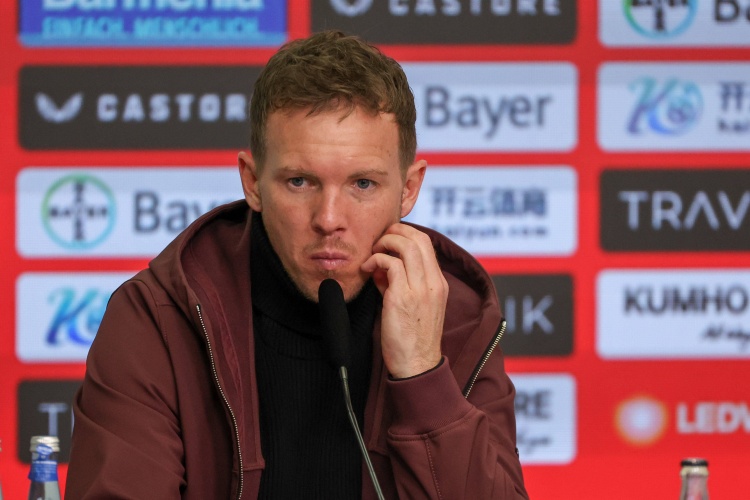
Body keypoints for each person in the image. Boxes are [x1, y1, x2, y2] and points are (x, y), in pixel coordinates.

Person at [66, 30, 528, 499]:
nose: (328, 219)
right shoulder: (158, 318)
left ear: (409, 189)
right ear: (252, 182)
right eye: (300, 182)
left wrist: (423, 375)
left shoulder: (455, 321)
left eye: (363, 184)